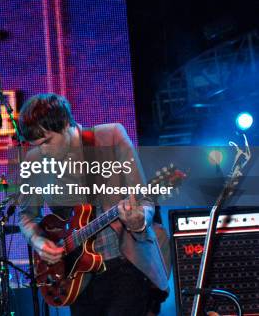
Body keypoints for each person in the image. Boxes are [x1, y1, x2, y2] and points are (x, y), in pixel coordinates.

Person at [17, 93, 169, 315]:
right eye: (36, 145)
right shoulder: (34, 160)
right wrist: (38, 241)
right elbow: (27, 215)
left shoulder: (111, 136)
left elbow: (143, 199)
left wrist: (138, 221)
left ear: (67, 124)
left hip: (126, 262)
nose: (43, 152)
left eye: (47, 141)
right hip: (78, 276)